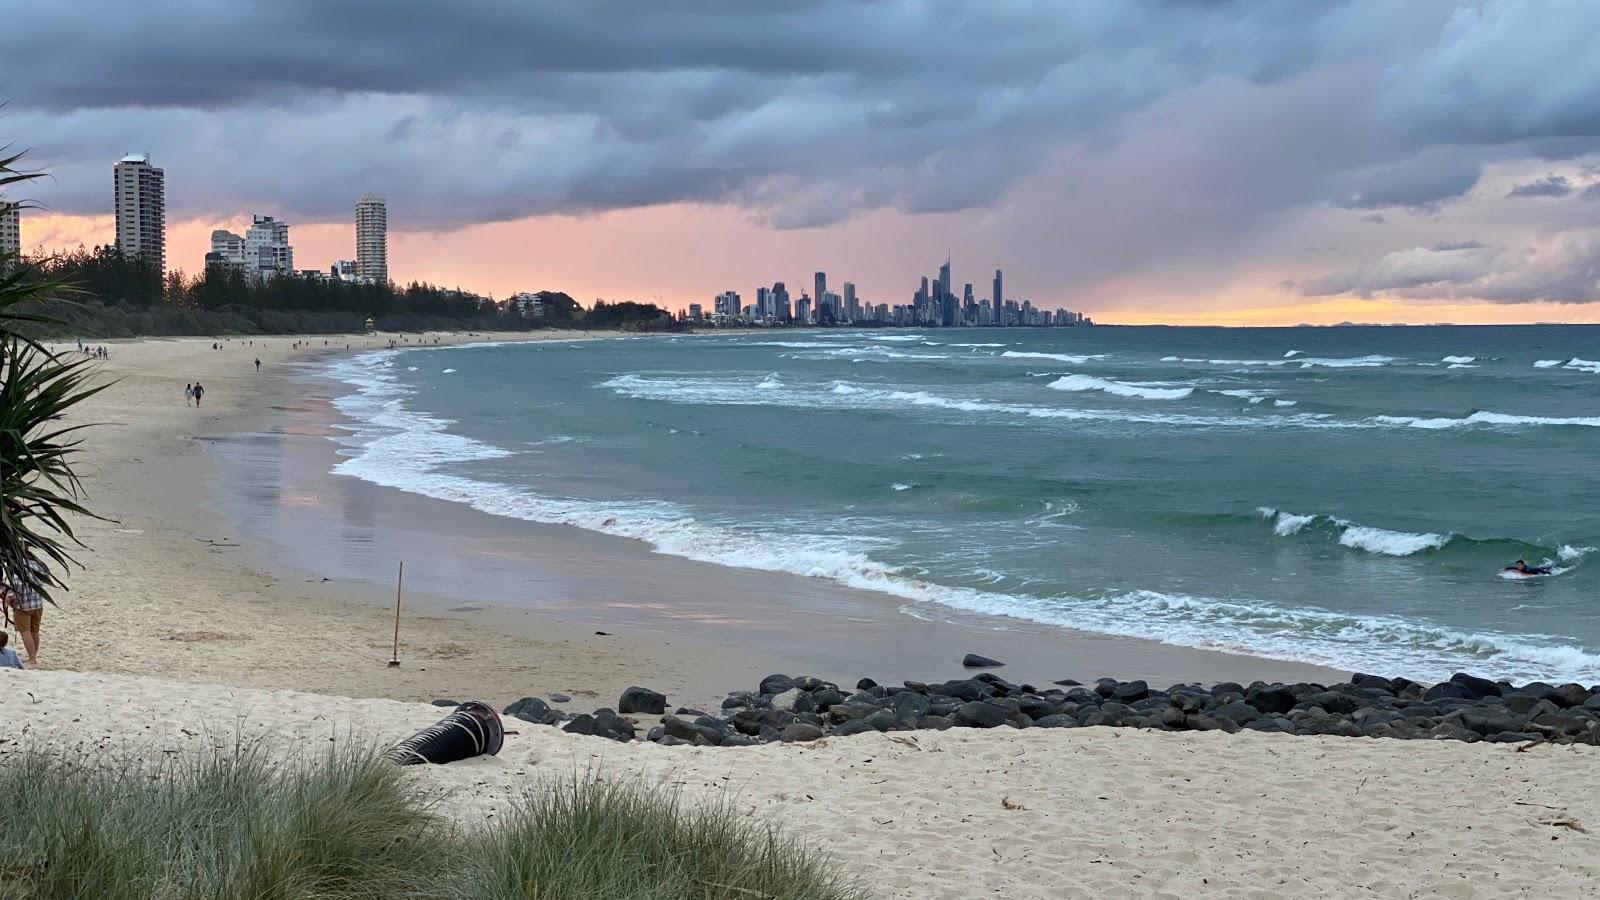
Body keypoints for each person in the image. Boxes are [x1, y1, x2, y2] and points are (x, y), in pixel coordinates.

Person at [2, 562, 45, 668]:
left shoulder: (18, 567)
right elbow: (44, 576)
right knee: (34, 631)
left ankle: (32, 659)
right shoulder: (37, 564)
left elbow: (16, 587)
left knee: (25, 632)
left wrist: (8, 599)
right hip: (38, 603)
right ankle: (33, 657)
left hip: (23, 606)